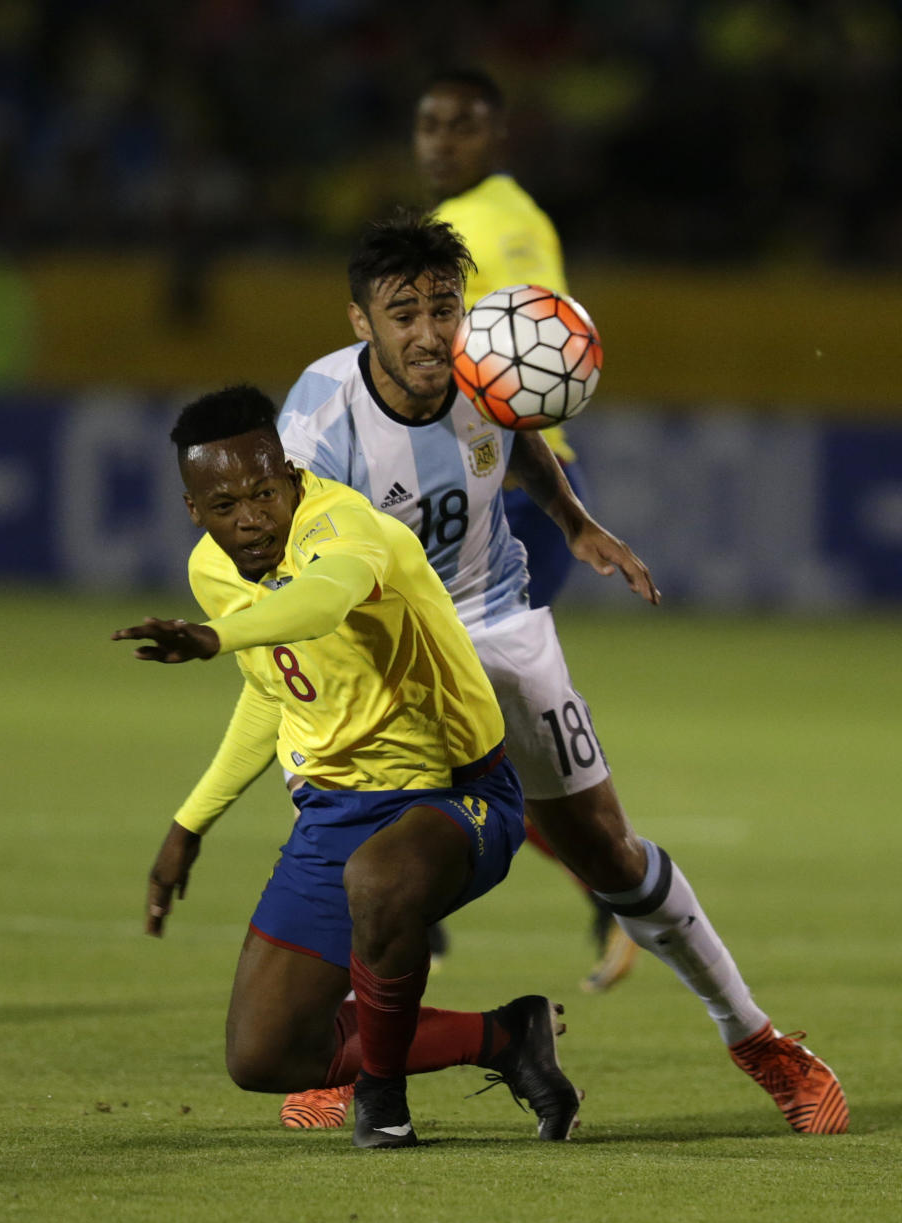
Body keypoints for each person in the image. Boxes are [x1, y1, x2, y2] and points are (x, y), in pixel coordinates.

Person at [274, 211, 849, 1136]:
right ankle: (367, 1065)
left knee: (606, 852)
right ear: (360, 323)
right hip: (388, 652)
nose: (429, 333)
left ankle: (759, 1040)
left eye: (443, 308)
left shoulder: (485, 369)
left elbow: (518, 433)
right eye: (402, 313)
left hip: (497, 625)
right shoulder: (318, 418)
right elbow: (305, 571)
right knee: (368, 863)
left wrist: (575, 520)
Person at [111, 385, 582, 1149]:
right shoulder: (214, 571)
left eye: (266, 492)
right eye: (225, 505)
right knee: (265, 1055)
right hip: (336, 810)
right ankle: (507, 1037)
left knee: (381, 880)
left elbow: (322, 602)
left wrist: (211, 639)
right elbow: (276, 696)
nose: (253, 518)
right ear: (194, 510)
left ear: (290, 473)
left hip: (458, 792)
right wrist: (189, 824)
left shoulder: (346, 527)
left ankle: (383, 1105)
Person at [414, 67, 637, 991]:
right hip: (485, 487)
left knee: (453, 719)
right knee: (450, 718)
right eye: (429, 124)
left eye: (462, 126)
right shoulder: (467, 218)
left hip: (503, 493)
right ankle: (608, 890)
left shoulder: (499, 221)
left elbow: (536, 346)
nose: (441, 140)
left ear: (498, 137)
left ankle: (615, 888)